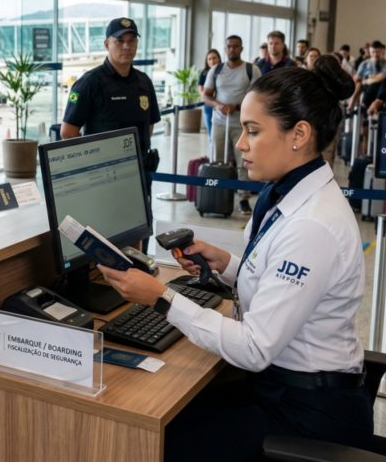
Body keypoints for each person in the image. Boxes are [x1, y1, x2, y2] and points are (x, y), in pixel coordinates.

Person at [99, 56, 369, 462]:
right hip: (281, 387)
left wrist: (161, 297)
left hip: (309, 416)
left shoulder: (313, 224)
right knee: (164, 419)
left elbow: (254, 348)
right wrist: (226, 264)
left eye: (252, 131)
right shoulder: (286, 192)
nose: (240, 143)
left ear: (299, 134)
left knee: (154, 443)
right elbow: (278, 281)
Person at [61, 17, 161, 211]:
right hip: (102, 176)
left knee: (140, 228)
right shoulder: (89, 83)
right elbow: (68, 132)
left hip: (139, 173)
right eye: (119, 41)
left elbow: (148, 126)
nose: (126, 46)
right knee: (106, 230)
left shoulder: (144, 82)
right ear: (107, 44)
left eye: (131, 40)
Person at [201, 35, 261, 214]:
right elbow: (206, 95)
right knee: (217, 160)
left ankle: (243, 198)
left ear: (241, 49)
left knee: (244, 162)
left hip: (243, 125)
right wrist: (219, 105)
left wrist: (237, 107)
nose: (232, 50)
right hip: (219, 122)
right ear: (225, 48)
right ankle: (218, 197)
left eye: (236, 47)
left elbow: (258, 97)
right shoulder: (216, 70)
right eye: (229, 47)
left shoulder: (251, 70)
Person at [199, 49, 221, 141]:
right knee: (211, 133)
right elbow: (200, 89)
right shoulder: (204, 72)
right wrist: (206, 97)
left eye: (214, 58)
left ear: (219, 59)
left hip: (221, 105)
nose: (212, 61)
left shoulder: (224, 70)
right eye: (209, 59)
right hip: (209, 105)